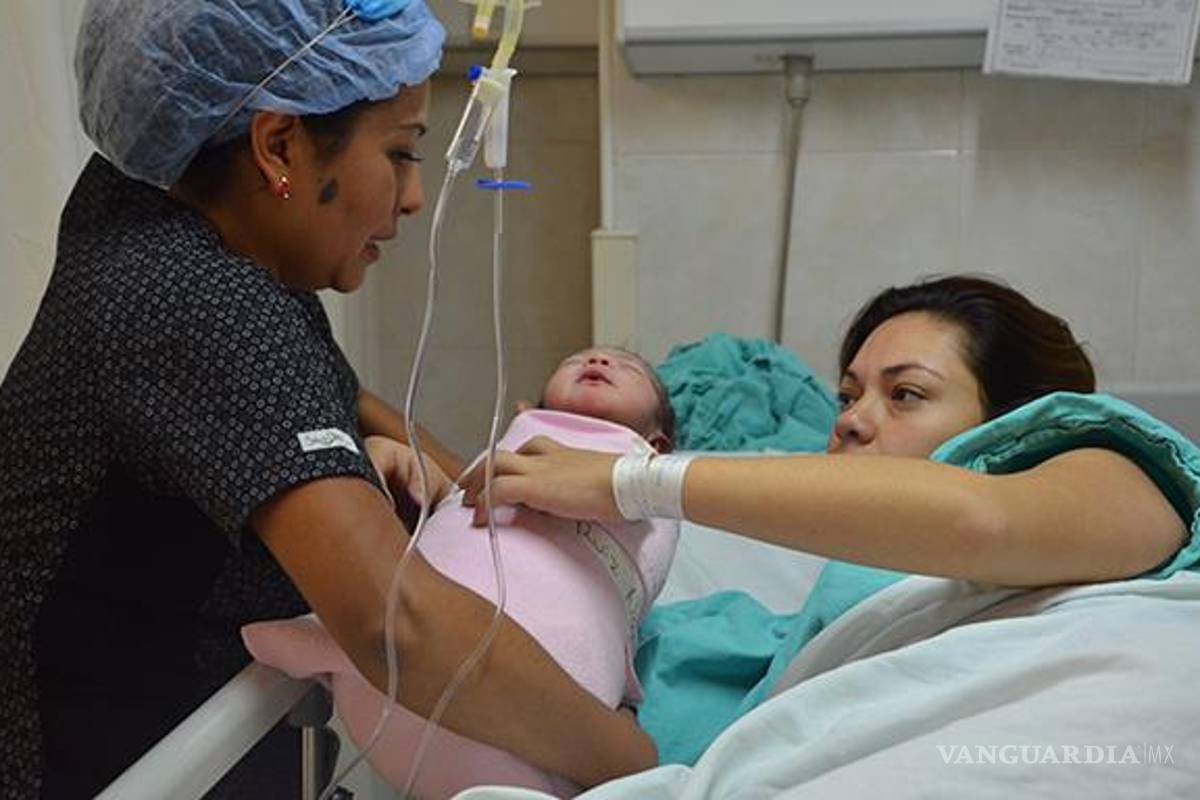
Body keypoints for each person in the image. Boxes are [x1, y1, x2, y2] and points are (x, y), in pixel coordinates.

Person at [0, 2, 653, 797]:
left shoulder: (158, 196)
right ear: (278, 145)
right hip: (92, 762)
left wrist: (482, 487)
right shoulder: (196, 302)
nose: (414, 197)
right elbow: (399, 624)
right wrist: (647, 763)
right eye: (401, 153)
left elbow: (325, 395)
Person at [461, 275, 1197, 763]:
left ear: (1019, 421)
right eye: (848, 396)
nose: (850, 421)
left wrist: (634, 483)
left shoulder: (1117, 470)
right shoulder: (808, 617)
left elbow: (981, 522)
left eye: (905, 395)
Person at [244, 346, 678, 797]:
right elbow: (475, 516)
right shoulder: (502, 452)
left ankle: (329, 645)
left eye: (628, 368)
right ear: (525, 413)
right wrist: (438, 493)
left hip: (526, 708)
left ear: (659, 446)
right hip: (401, 665)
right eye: (574, 360)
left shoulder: (651, 483)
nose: (599, 362)